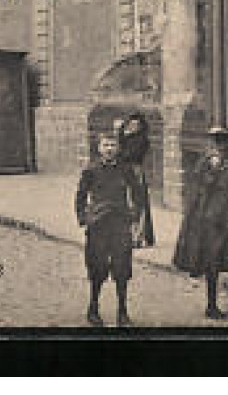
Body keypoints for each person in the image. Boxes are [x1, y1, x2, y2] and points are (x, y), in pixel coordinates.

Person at [173, 125, 228, 320]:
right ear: (216, 145)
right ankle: (211, 306)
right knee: (213, 264)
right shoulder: (205, 166)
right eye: (222, 143)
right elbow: (196, 193)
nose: (227, 148)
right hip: (210, 223)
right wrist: (213, 171)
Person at [75, 129, 141, 327]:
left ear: (118, 148)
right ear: (99, 148)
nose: (110, 149)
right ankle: (93, 308)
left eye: (113, 145)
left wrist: (134, 216)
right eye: (106, 145)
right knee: (97, 268)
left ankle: (122, 312)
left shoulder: (126, 169)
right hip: (99, 226)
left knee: (122, 268)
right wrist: (84, 217)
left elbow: (137, 194)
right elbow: (80, 197)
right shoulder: (90, 170)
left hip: (120, 224)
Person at [115, 112, 156, 246]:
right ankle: (127, 235)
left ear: (141, 127)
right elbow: (119, 152)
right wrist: (120, 134)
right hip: (124, 172)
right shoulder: (126, 138)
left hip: (135, 172)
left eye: (136, 125)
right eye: (131, 124)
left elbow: (130, 155)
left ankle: (139, 237)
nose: (133, 127)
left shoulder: (142, 140)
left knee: (138, 203)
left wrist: (122, 139)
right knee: (126, 202)